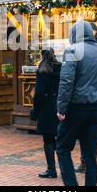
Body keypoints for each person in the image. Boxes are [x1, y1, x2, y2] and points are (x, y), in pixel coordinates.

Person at [56, 21, 97, 186]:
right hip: (96, 108)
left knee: (63, 148)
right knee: (90, 154)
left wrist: (61, 108)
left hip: (76, 107)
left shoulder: (72, 50)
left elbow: (66, 81)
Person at [30, 48, 62, 179]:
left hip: (47, 108)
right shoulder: (60, 68)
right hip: (60, 105)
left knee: (48, 139)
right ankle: (64, 166)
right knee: (60, 138)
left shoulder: (43, 70)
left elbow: (38, 94)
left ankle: (51, 169)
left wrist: (35, 110)